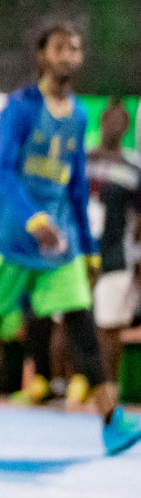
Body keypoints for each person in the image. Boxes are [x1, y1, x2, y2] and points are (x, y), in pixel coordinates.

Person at [0, 25, 141, 456]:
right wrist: (33, 219)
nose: (68, 56)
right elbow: (3, 174)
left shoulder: (77, 116)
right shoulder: (19, 108)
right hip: (9, 237)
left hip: (60, 244)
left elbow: (76, 186)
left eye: (74, 49)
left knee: (81, 325)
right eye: (59, 48)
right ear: (42, 56)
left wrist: (90, 251)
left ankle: (111, 420)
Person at [86, 99, 141, 384]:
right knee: (73, 323)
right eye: (110, 119)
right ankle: (71, 386)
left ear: (127, 126)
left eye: (122, 120)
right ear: (102, 120)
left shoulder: (133, 167)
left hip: (115, 257)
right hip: (79, 254)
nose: (115, 125)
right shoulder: (84, 160)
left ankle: (109, 388)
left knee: (109, 327)